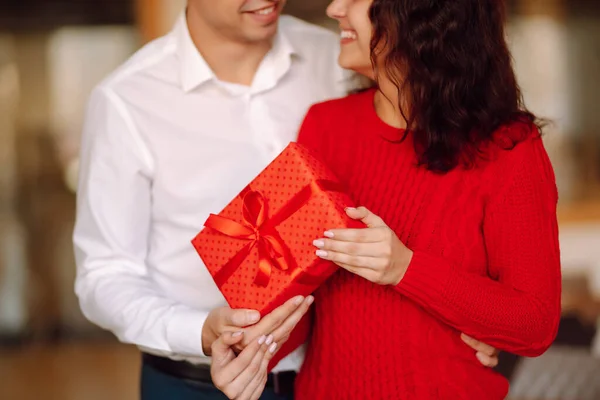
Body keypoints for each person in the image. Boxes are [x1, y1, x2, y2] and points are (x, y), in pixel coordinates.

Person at [73, 0, 499, 399]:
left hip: (334, 377)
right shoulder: (127, 101)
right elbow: (105, 275)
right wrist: (201, 331)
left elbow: (442, 163)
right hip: (196, 385)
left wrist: (475, 311)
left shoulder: (341, 56)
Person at [292, 0, 562, 399]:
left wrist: (406, 269)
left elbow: (534, 323)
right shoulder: (323, 126)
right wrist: (244, 338)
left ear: (419, 14)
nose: (334, 8)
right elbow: (299, 302)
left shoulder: (509, 148)